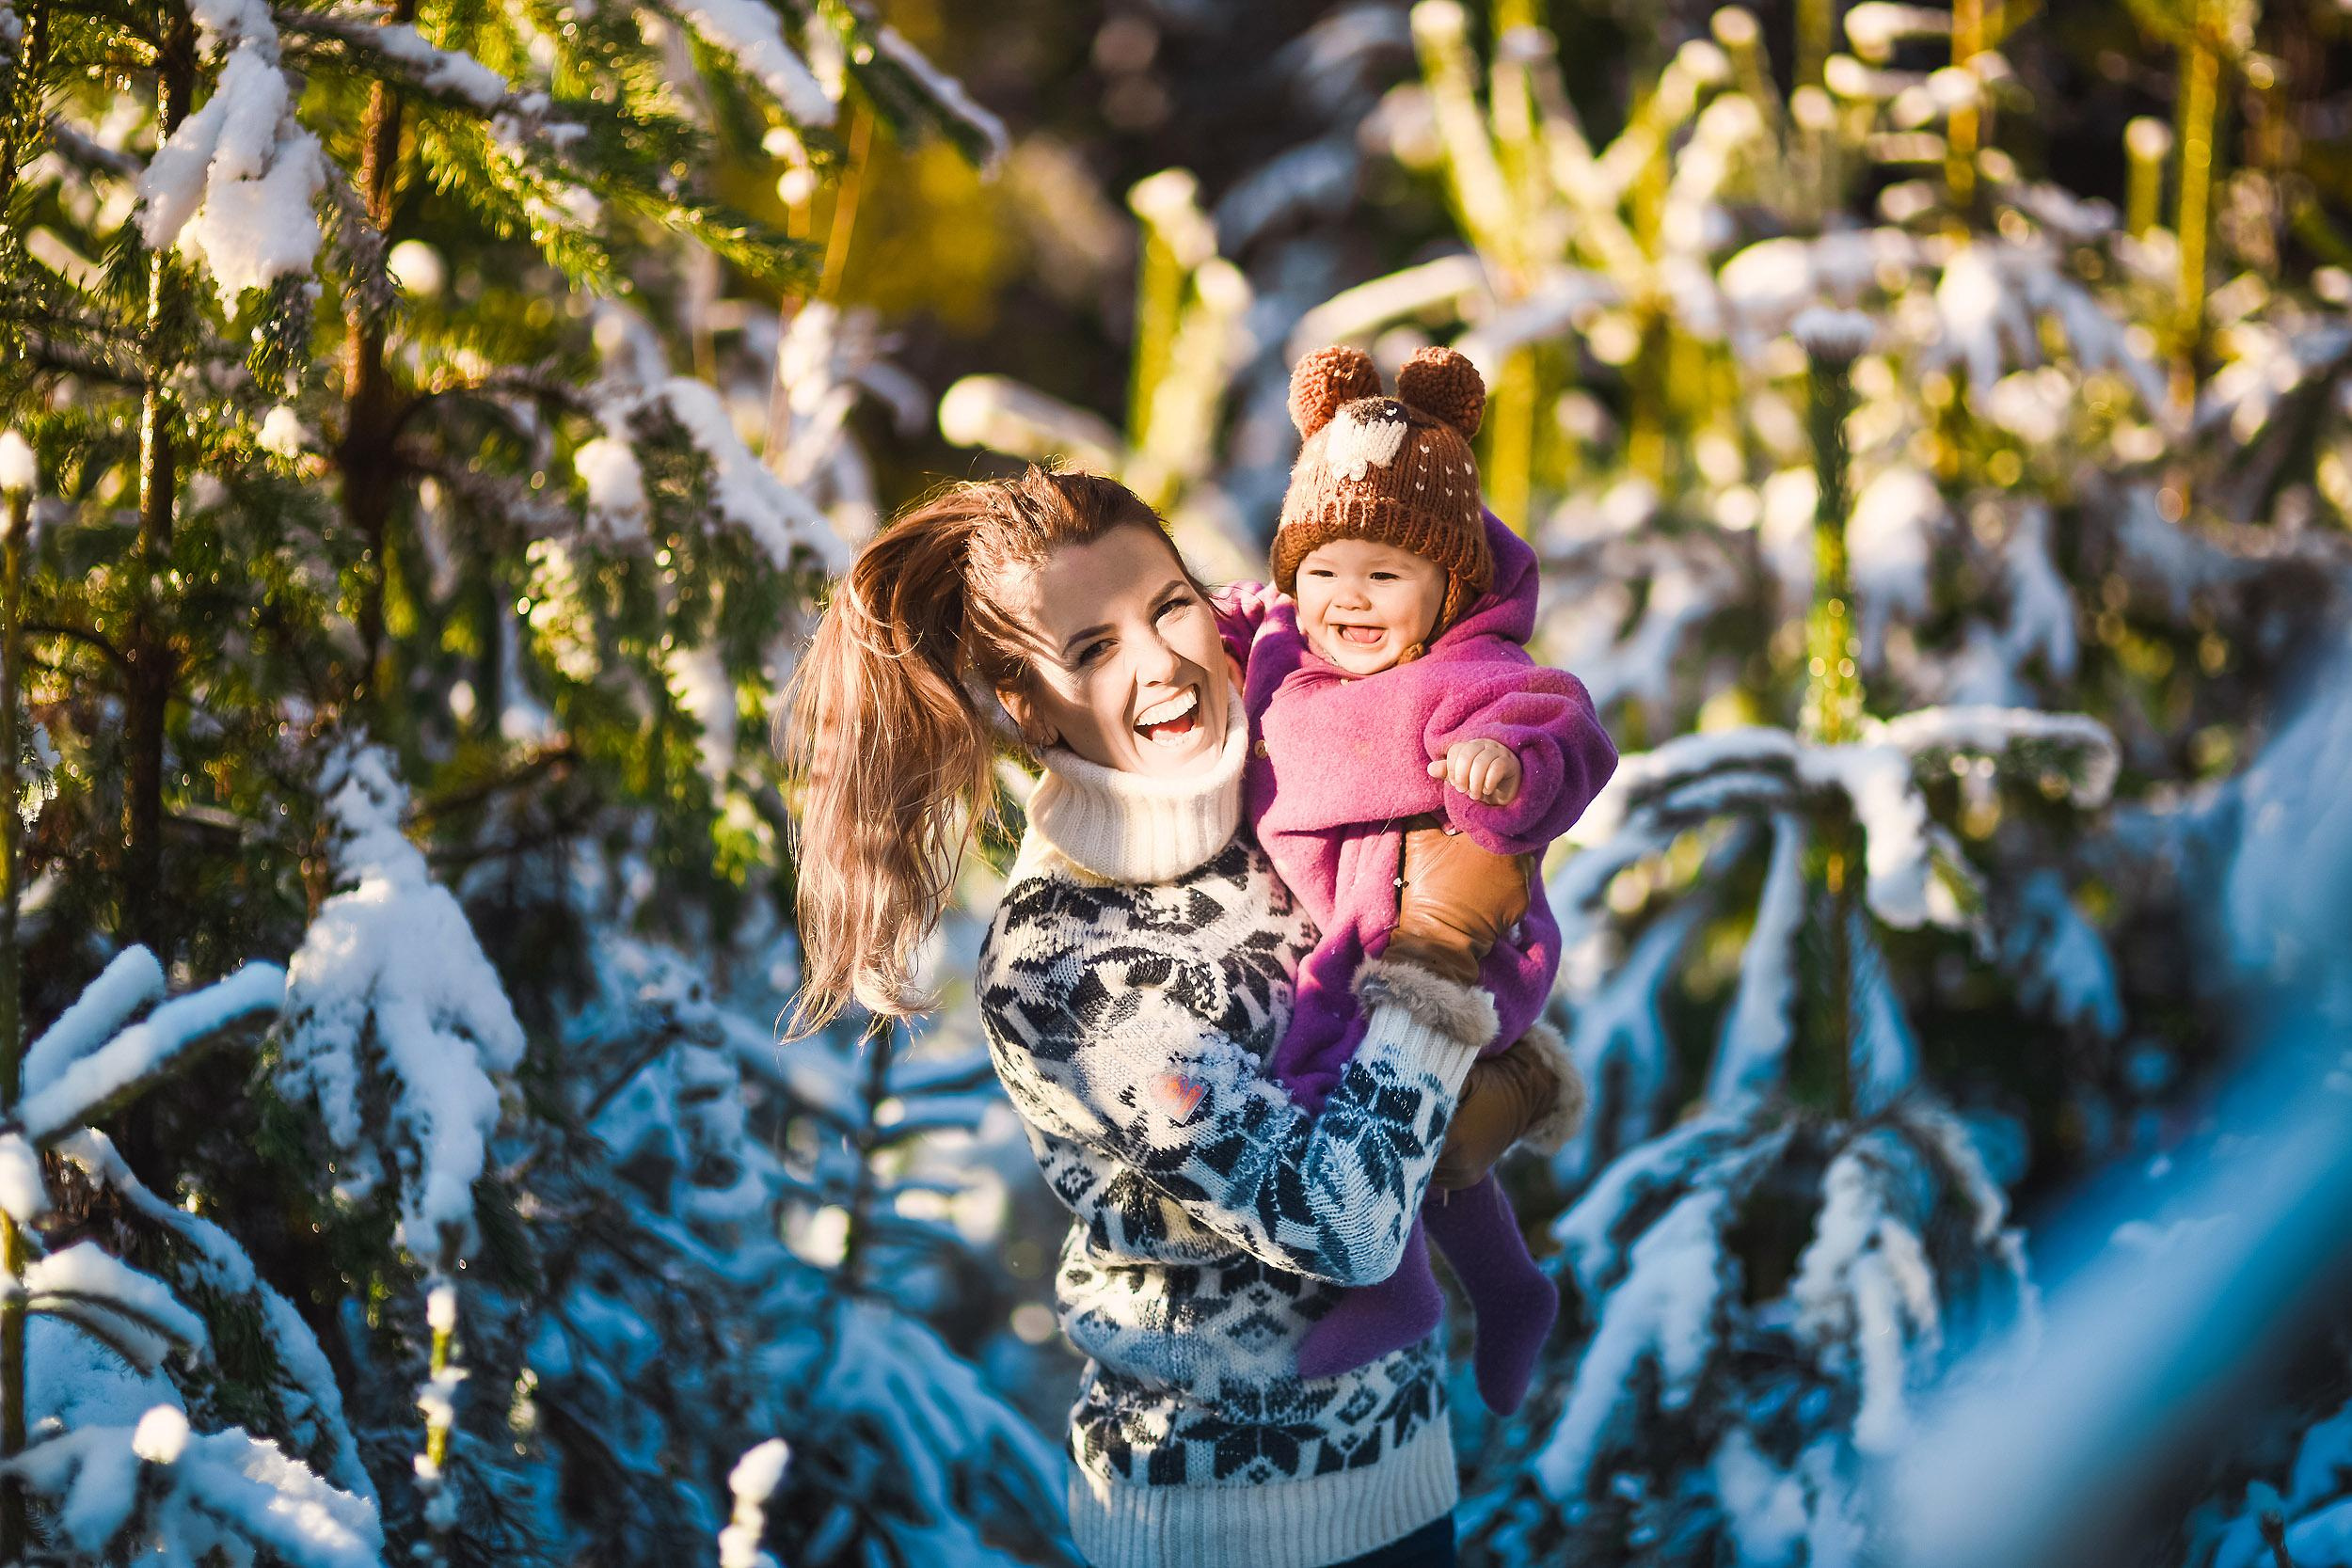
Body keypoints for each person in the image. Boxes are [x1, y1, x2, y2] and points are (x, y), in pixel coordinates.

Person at [782, 467, 1574, 1568]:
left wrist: (1501, 1072)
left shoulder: (1289, 775)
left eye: (1166, 606)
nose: (1157, 661)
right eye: (1092, 648)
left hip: (1405, 1475)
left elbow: (1435, 605)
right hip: (1211, 1524)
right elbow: (1339, 1220)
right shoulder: (1065, 962)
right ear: (1028, 703)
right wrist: (1437, 949)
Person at [1218, 345, 1618, 1416]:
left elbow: (1562, 727)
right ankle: (1510, 1284)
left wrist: (1506, 765)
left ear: (1450, 586)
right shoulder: (1287, 647)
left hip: (1443, 939)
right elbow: (1236, 614)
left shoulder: (1468, 674)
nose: (1347, 598)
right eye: (1323, 571)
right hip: (1354, 922)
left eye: (1385, 575)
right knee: (1424, 1133)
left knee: (1339, 1070)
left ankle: (1392, 1285)